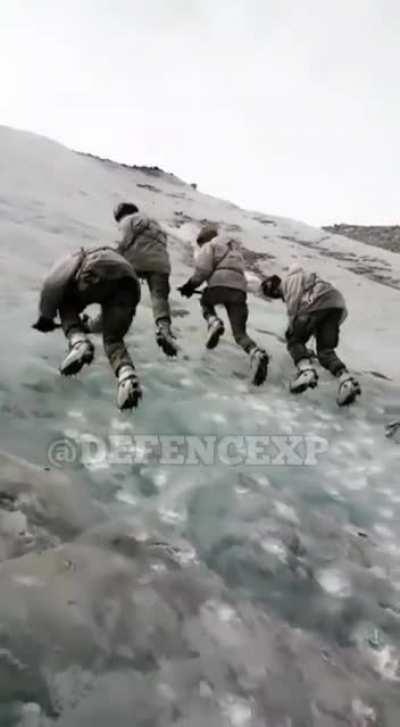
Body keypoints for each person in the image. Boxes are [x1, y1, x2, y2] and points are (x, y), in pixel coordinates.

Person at [32, 246, 142, 410]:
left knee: (66, 305)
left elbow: (52, 283)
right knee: (113, 340)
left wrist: (46, 317)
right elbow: (105, 323)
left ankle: (79, 343)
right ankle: (126, 377)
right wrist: (88, 327)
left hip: (94, 272)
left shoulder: (77, 256)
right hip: (130, 286)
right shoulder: (120, 263)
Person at [178, 223, 269, 386]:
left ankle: (213, 321)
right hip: (239, 292)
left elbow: (203, 270)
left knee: (205, 301)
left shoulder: (210, 245)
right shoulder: (236, 252)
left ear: (205, 239)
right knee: (240, 333)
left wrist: (189, 286)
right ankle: (255, 353)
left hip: (218, 285)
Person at [261, 264, 361, 406]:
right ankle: (346, 380)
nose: (279, 297)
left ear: (275, 289)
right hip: (336, 305)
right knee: (325, 351)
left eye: (276, 294)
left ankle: (306, 371)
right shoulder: (307, 278)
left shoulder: (291, 279)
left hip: (316, 301)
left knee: (294, 340)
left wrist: (292, 328)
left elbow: (294, 306)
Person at [111, 202, 178, 357]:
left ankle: (113, 320)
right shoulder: (155, 224)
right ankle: (164, 328)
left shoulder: (128, 220)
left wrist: (115, 254)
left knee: (121, 289)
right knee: (159, 297)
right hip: (161, 264)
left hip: (136, 260)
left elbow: (124, 239)